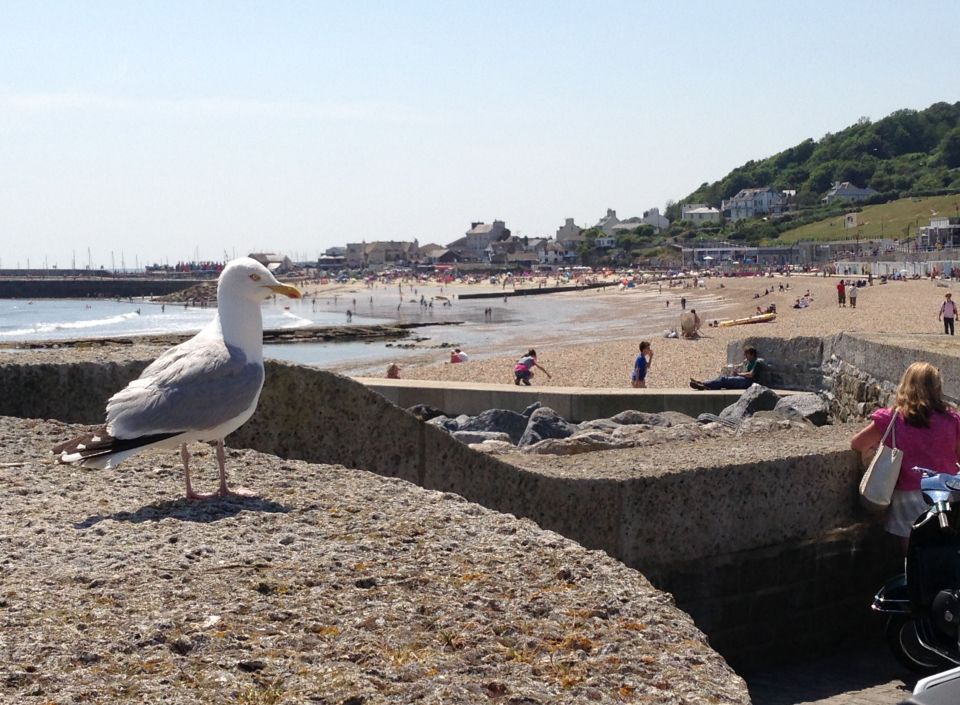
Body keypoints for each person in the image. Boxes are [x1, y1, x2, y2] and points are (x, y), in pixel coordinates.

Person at [851, 362, 960, 554]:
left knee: (912, 553)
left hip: (908, 496)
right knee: (942, 549)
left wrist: (882, 447)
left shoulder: (892, 419)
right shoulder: (952, 420)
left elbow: (857, 443)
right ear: (937, 387)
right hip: (943, 493)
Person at [689, 347, 766, 390]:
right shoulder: (749, 362)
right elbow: (741, 367)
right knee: (723, 379)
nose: (745, 356)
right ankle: (703, 383)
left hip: (748, 382)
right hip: (744, 381)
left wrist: (738, 374)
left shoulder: (757, 362)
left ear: (752, 354)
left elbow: (751, 375)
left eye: (747, 354)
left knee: (724, 380)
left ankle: (704, 385)